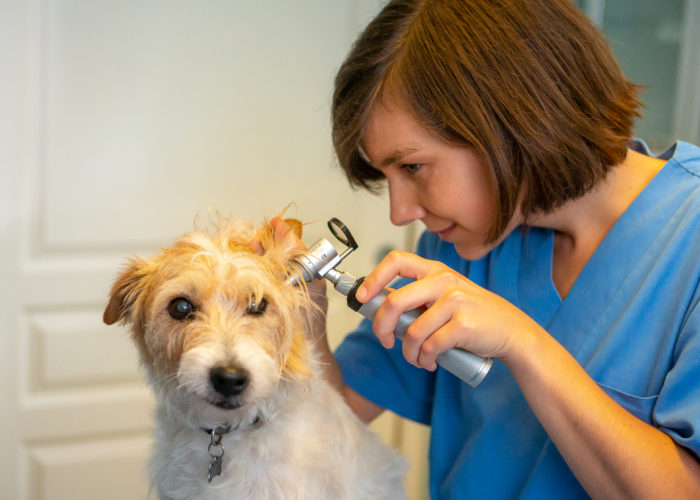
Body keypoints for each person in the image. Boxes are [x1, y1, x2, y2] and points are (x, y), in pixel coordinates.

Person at [277, 0, 700, 497]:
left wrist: (524, 344)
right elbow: (338, 413)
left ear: (516, 119)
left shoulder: (685, 242)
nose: (400, 212)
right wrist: (303, 327)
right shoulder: (460, 243)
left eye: (412, 167)